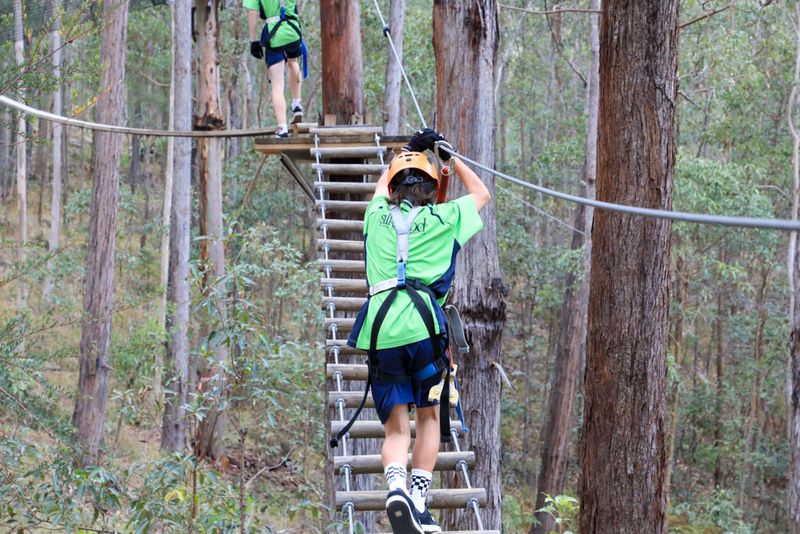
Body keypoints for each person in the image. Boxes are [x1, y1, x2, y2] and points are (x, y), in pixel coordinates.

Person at [345, 129, 491, 533]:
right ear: (431, 189)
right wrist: (450, 157)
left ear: (394, 186)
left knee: (396, 426)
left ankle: (396, 489)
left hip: (382, 332)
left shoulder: (375, 216)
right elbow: (481, 194)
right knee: (428, 418)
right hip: (426, 331)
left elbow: (381, 187)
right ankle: (419, 501)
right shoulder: (445, 218)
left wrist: (406, 152)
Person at [244, 0, 305, 138]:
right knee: (293, 62)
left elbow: (252, 12)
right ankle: (297, 104)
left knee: (277, 84)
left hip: (274, 34)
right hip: (293, 31)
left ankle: (282, 128)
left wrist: (253, 41)